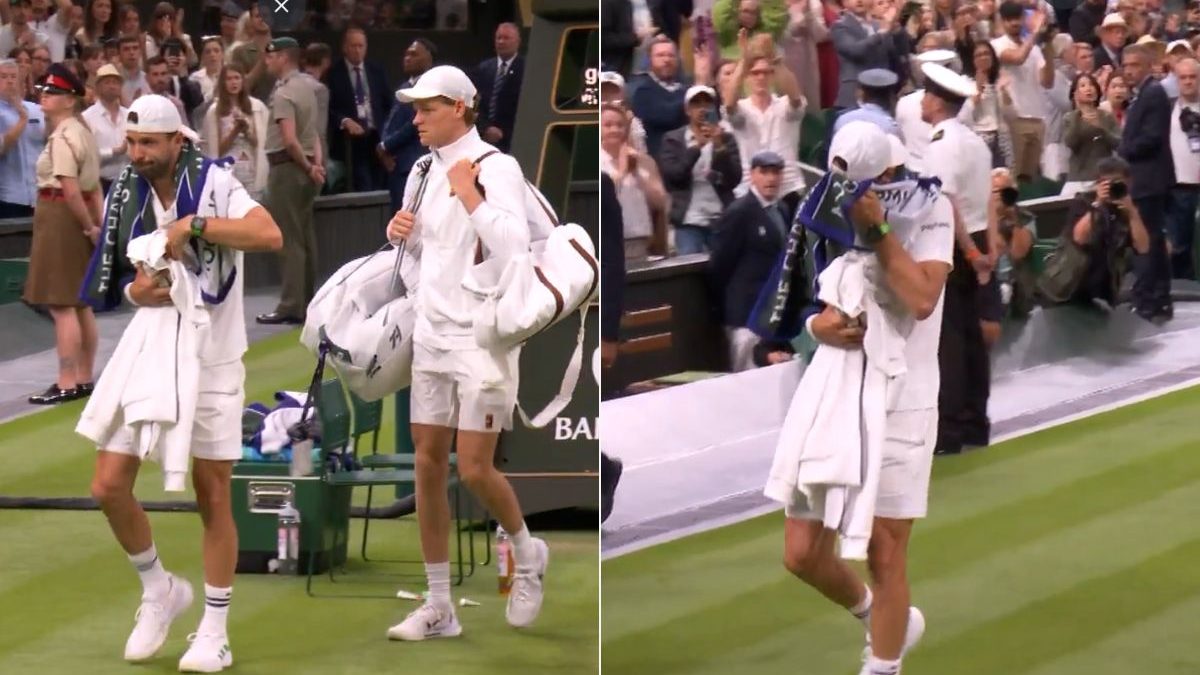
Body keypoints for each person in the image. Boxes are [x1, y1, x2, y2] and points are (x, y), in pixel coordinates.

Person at [80, 93, 282, 673]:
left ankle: (214, 629)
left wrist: (194, 224)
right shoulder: (127, 190)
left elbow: (268, 235)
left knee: (212, 494)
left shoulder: (215, 182)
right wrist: (133, 293)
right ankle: (160, 589)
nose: (138, 154)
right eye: (133, 143)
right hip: (150, 350)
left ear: (177, 142)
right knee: (107, 484)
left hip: (214, 356)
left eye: (149, 144)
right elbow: (131, 281)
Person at [775, 121, 953, 675]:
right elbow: (808, 298)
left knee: (884, 551)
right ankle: (881, 617)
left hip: (906, 396)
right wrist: (817, 326)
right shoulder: (827, 205)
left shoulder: (934, 207)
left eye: (881, 176)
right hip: (837, 391)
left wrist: (876, 231)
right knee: (801, 555)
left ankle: (883, 664)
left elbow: (922, 296)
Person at [381, 64, 548, 641]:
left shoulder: (498, 168)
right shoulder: (421, 169)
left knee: (475, 467)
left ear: (459, 107)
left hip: (481, 338)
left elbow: (515, 242)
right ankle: (438, 607)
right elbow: (427, 255)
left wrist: (470, 194)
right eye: (415, 108)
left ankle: (527, 554)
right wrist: (402, 231)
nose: (416, 118)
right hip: (430, 335)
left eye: (426, 108)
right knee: (428, 465)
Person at [919, 63, 997, 455]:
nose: (923, 100)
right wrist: (989, 247)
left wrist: (968, 251)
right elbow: (988, 199)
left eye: (926, 94)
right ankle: (974, 422)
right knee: (969, 335)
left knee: (948, 337)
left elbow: (946, 202)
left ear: (936, 101)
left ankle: (948, 429)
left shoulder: (942, 144)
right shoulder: (975, 143)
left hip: (953, 242)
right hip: (978, 235)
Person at [21, 63, 100, 405]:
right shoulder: (83, 131)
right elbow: (93, 188)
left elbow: (69, 188)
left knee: (61, 303)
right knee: (80, 303)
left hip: (61, 215)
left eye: (53, 92)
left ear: (70, 100)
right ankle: (83, 377)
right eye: (44, 91)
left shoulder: (65, 135)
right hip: (77, 215)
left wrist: (86, 225)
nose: (45, 96)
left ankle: (66, 381)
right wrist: (97, 226)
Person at [256, 37, 324, 325]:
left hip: (288, 169)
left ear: (282, 57)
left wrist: (308, 168)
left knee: (289, 240)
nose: (267, 61)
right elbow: (315, 135)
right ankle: (308, 301)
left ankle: (291, 305)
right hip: (307, 168)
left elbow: (289, 139)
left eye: (270, 56)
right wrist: (316, 166)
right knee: (305, 238)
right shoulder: (308, 88)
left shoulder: (283, 94)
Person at [709, 150, 794, 372]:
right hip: (745, 315)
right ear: (752, 175)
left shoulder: (782, 210)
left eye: (776, 172)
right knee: (746, 382)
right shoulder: (740, 212)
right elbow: (720, 265)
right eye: (764, 172)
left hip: (773, 317)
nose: (771, 178)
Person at [1118, 43, 1175, 322]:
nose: (1128, 71)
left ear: (1147, 65)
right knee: (1153, 238)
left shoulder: (1152, 93)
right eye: (1125, 66)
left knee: (1146, 241)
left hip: (1148, 180)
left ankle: (1147, 300)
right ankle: (1159, 298)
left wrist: (1121, 150)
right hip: (1147, 179)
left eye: (1134, 66)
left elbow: (1151, 139)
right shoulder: (1144, 94)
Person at [659, 84, 743, 255]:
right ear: (687, 110)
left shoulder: (726, 139)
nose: (702, 109)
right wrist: (697, 147)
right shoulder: (673, 140)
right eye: (696, 104)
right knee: (689, 273)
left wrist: (719, 147)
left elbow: (733, 179)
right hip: (688, 221)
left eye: (707, 104)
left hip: (721, 219)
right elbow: (674, 177)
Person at [990, 2, 1053, 182]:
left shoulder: (1033, 48)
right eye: (1009, 19)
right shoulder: (996, 45)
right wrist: (1034, 32)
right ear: (1002, 22)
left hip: (1038, 117)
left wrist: (1048, 46)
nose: (1015, 23)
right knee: (1014, 176)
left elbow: (1047, 82)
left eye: (1017, 18)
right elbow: (1017, 58)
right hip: (1013, 118)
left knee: (1030, 178)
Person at [327, 27, 391, 191]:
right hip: (351, 142)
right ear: (344, 48)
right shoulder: (333, 73)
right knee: (363, 185)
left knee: (380, 185)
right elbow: (328, 109)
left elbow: (388, 104)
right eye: (353, 46)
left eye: (361, 46)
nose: (357, 50)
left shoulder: (376, 71)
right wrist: (344, 120)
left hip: (377, 137)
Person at [380, 37, 434, 212]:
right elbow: (391, 122)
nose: (407, 58)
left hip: (414, 163)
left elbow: (414, 123)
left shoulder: (429, 86)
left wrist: (385, 145)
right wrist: (383, 148)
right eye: (406, 54)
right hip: (396, 166)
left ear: (428, 58)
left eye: (414, 54)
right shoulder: (404, 87)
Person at [202, 64, 267, 199]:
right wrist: (235, 131)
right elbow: (215, 149)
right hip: (228, 168)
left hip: (250, 167)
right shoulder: (216, 111)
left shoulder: (254, 107)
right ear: (223, 83)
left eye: (237, 78)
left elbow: (259, 143)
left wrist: (246, 130)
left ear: (243, 81)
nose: (233, 82)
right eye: (229, 79)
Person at [830, 0, 897, 110]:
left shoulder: (878, 25)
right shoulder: (840, 26)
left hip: (881, 93)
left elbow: (891, 55)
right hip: (853, 93)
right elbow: (855, 50)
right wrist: (880, 34)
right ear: (843, 2)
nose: (859, 1)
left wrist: (892, 25)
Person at [1061, 72, 1120, 198]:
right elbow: (1070, 142)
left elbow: (1118, 143)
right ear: (1075, 93)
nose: (1088, 88)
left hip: (1102, 178)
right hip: (1077, 179)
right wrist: (1079, 116)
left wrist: (1101, 129)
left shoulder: (1106, 116)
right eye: (1082, 85)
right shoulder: (1070, 118)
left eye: (1091, 85)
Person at [1168, 56, 1200, 279]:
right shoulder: (1166, 108)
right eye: (1183, 77)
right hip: (1178, 188)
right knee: (1179, 247)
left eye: (1193, 76)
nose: (1188, 81)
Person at [473, 22, 525, 153]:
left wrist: (504, 133)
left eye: (506, 38)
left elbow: (526, 107)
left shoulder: (527, 69)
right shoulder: (484, 68)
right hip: (484, 139)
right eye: (498, 38)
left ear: (518, 41)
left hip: (513, 140)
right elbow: (475, 104)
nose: (501, 42)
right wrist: (485, 128)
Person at [81, 62, 127, 195]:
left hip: (127, 181)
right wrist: (114, 151)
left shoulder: (130, 114)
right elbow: (85, 155)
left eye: (115, 82)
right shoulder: (87, 118)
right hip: (100, 184)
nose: (112, 86)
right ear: (97, 87)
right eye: (107, 82)